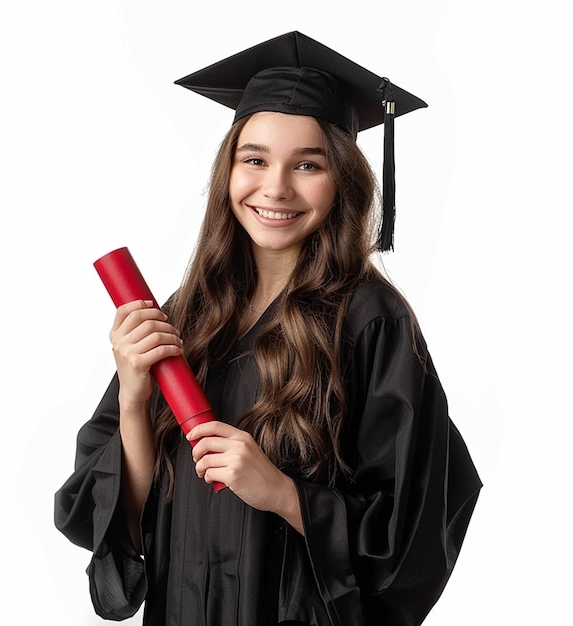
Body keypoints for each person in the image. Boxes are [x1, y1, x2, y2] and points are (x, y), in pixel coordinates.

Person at [55, 31, 482, 626]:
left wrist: (283, 493)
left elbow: (412, 533)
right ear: (228, 170)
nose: (275, 187)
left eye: (308, 165)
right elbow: (124, 521)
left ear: (343, 181)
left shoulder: (371, 321)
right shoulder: (190, 312)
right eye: (253, 159)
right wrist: (133, 396)